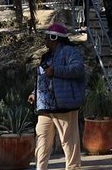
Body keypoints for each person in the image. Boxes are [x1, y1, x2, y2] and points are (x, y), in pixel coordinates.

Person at [28, 22, 85, 170]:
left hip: (63, 106)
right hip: (45, 107)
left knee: (69, 142)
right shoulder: (46, 56)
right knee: (42, 141)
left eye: (47, 38)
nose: (45, 40)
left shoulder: (70, 52)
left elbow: (78, 69)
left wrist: (56, 70)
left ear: (55, 37)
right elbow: (43, 78)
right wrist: (35, 93)